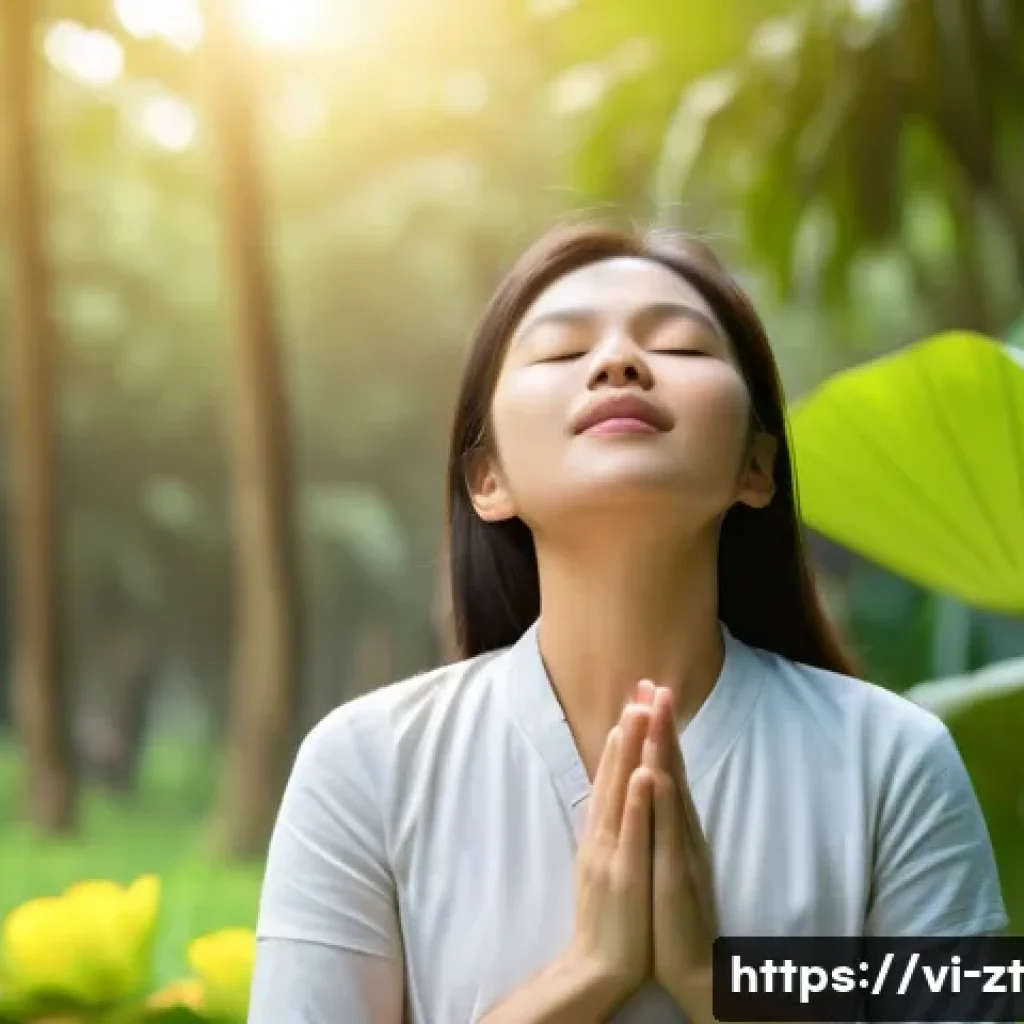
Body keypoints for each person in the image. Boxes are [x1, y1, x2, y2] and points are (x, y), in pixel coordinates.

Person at [247, 222, 1008, 1023]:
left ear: (757, 467)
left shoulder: (893, 763)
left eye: (680, 346)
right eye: (560, 351)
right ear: (487, 479)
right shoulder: (366, 766)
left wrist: (715, 983)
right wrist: (586, 973)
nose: (618, 362)